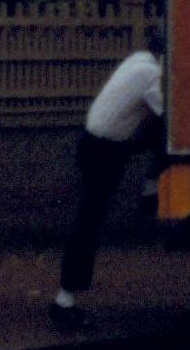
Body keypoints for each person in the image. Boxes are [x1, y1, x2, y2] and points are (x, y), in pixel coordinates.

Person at [52, 24, 164, 326]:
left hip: (98, 144)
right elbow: (169, 113)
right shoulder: (152, 75)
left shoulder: (137, 60)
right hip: (105, 150)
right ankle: (64, 301)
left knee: (90, 218)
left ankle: (151, 190)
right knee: (89, 220)